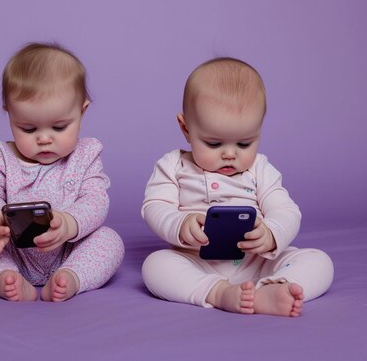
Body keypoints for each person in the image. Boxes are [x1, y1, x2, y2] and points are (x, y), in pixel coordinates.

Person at [141, 57, 333, 316]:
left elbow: (286, 210)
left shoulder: (259, 169)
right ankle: (218, 292)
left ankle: (275, 288)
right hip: (197, 261)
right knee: (155, 266)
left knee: (319, 262)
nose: (230, 154)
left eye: (244, 144)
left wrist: (271, 234)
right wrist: (179, 224)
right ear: (186, 128)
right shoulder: (173, 165)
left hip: (257, 261)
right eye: (213, 144)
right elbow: (155, 207)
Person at [0, 43, 124, 302]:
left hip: (69, 248)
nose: (44, 139)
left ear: (82, 111)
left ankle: (71, 277)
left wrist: (69, 224)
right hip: (13, 250)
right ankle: (4, 278)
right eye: (28, 129)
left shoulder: (86, 154)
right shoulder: (0, 156)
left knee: (109, 240)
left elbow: (96, 200)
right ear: (10, 115)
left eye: (59, 127)